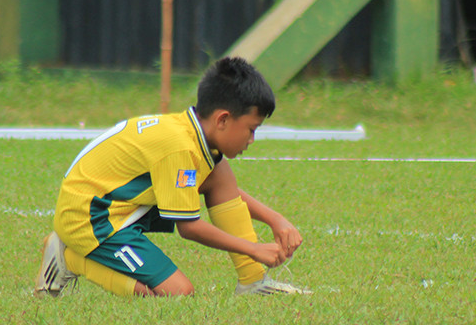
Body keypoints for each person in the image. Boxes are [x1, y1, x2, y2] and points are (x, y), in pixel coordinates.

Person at [35, 57, 310, 297]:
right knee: (177, 293)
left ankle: (253, 282)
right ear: (223, 119)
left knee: (218, 173)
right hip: (90, 217)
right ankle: (69, 257)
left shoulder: (191, 133)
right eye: (251, 129)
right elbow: (188, 227)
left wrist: (275, 219)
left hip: (120, 204)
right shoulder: (179, 147)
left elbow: (218, 187)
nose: (252, 139)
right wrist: (253, 248)